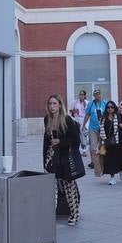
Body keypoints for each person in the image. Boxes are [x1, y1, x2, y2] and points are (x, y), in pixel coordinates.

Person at [43, 95, 83, 225]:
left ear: (60, 105)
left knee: (68, 186)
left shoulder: (66, 120)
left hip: (65, 157)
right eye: (50, 104)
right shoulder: (47, 119)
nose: (52, 106)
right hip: (52, 157)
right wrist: (45, 159)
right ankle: (49, 214)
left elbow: (75, 140)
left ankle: (74, 214)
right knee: (51, 186)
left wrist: (60, 142)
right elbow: (46, 141)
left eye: (54, 104)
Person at [100, 101, 122, 184]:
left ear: (114, 108)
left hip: (118, 141)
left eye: (112, 107)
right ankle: (112, 178)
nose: (110, 109)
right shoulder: (103, 118)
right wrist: (103, 141)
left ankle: (121, 171)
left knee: (120, 158)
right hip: (108, 142)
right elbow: (101, 130)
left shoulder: (118, 116)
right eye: (108, 107)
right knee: (110, 160)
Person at [84, 87, 107, 178]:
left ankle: (103, 167)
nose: (97, 96)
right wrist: (83, 125)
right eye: (96, 94)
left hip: (102, 129)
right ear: (94, 95)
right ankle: (97, 170)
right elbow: (87, 114)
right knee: (93, 149)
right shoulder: (91, 104)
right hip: (92, 128)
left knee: (102, 149)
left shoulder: (105, 103)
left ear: (101, 94)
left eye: (99, 94)